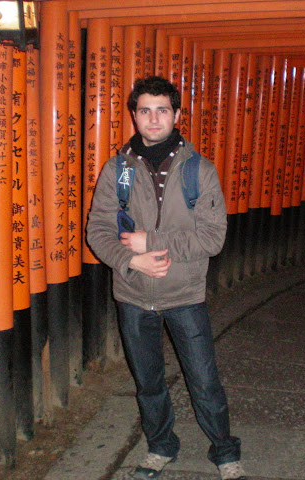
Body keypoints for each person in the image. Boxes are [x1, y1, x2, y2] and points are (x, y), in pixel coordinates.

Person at [87, 76, 246, 480]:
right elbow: (98, 231)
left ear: (176, 114)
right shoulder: (117, 169)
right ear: (134, 115)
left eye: (162, 110)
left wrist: (150, 241)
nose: (153, 118)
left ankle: (225, 453)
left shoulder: (199, 170)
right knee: (148, 383)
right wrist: (130, 261)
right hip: (133, 294)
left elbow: (213, 237)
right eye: (145, 110)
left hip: (184, 294)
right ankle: (160, 447)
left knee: (204, 381)